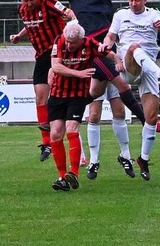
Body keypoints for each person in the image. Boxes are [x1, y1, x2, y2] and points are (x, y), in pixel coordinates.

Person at [51, 0, 160, 179]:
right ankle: (95, 159)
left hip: (107, 49)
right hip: (90, 51)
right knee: (94, 109)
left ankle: (125, 154)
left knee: (116, 108)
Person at [101, 0, 160, 181]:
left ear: (145, 0)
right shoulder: (121, 14)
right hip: (128, 65)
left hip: (146, 64)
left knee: (151, 117)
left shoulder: (153, 14)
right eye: (130, 0)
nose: (133, 3)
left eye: (137, 0)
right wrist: (107, 44)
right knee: (133, 47)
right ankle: (159, 71)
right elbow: (111, 36)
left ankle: (143, 159)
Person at [48, 23, 123, 191]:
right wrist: (79, 73)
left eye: (73, 42)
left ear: (81, 39)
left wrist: (118, 60)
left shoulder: (90, 44)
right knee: (55, 133)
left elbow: (107, 52)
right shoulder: (59, 41)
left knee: (71, 129)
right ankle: (62, 177)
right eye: (67, 41)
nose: (69, 45)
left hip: (77, 95)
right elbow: (56, 67)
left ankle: (73, 173)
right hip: (57, 93)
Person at [9, 0, 76, 161]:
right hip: (41, 56)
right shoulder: (22, 10)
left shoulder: (48, 2)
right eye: (25, 0)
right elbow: (29, 25)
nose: (28, 4)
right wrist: (19, 36)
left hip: (57, 53)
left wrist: (73, 29)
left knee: (57, 95)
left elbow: (69, 13)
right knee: (40, 97)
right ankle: (46, 142)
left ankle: (62, 134)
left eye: (31, 0)